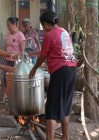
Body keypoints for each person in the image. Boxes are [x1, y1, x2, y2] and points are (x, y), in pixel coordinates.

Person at [29, 11, 77, 140]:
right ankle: (65, 137)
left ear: (45, 24)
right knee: (65, 107)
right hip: (72, 70)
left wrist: (33, 69)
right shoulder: (63, 32)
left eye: (43, 27)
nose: (43, 30)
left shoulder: (49, 35)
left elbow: (43, 56)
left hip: (60, 72)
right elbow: (52, 49)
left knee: (51, 111)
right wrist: (33, 53)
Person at [1, 17, 26, 103]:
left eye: (9, 25)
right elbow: (6, 46)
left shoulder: (20, 35)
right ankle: (5, 96)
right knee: (4, 78)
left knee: (15, 79)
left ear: (15, 25)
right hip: (7, 59)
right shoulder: (7, 34)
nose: (8, 27)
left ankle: (16, 97)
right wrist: (4, 54)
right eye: (7, 25)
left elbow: (22, 51)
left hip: (15, 61)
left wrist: (20, 63)